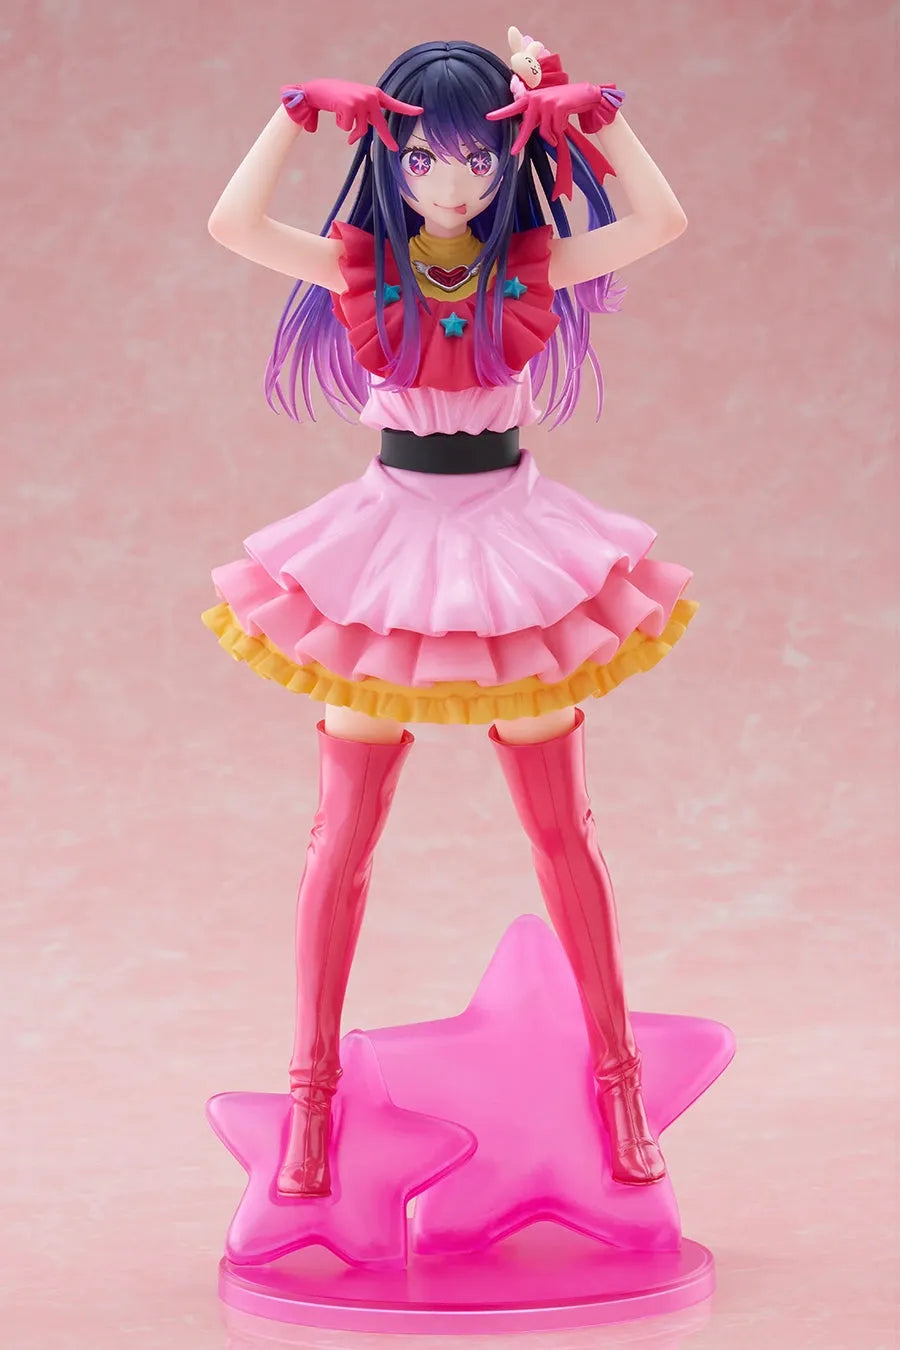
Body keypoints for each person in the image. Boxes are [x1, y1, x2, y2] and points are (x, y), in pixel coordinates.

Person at [202, 30, 694, 1200]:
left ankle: (618, 1082)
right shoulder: (362, 265)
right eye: (426, 158)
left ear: (507, 158)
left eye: (479, 156)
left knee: (562, 829)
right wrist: (295, 112)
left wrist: (595, 117)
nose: (454, 181)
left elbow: (663, 220)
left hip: (513, 543)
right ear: (392, 159)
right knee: (341, 836)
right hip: (387, 542)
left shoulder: (528, 262)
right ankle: (311, 1098)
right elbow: (233, 223)